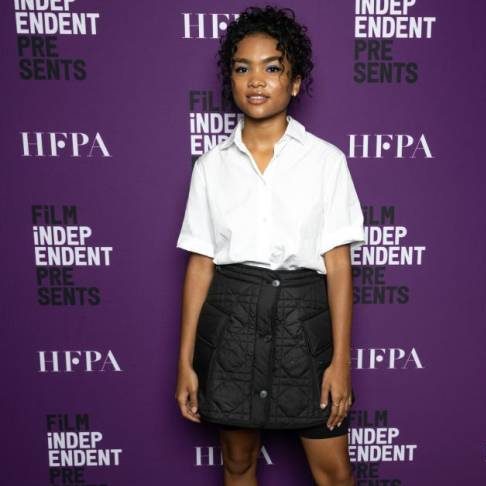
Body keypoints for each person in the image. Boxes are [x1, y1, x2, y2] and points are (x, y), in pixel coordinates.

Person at [175, 6, 365, 485]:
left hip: (305, 326)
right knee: (238, 463)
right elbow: (200, 266)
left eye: (272, 68)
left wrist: (340, 364)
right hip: (232, 323)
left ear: (295, 82)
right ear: (231, 80)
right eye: (243, 68)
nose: (256, 80)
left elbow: (339, 267)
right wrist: (185, 363)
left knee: (335, 473)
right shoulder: (210, 166)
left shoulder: (326, 162)